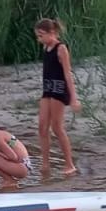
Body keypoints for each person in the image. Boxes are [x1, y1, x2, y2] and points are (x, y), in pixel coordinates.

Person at [34, 18, 80, 177]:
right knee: (42, 126)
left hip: (59, 90)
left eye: (41, 35)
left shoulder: (61, 49)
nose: (39, 39)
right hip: (47, 89)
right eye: (37, 36)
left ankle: (70, 164)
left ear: (52, 32)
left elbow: (68, 74)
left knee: (56, 127)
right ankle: (45, 163)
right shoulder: (46, 48)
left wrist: (73, 98)